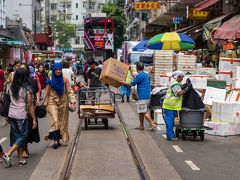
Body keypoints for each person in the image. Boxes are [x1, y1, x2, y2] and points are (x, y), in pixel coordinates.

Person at [3, 68, 37, 167]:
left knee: (17, 137)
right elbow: (30, 106)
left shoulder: (10, 86)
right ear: (25, 76)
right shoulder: (27, 89)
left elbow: (7, 99)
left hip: (11, 115)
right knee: (23, 136)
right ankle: (8, 154)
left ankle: (21, 159)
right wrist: (34, 119)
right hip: (21, 115)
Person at [44, 63, 76, 149]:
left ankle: (58, 138)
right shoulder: (49, 81)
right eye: (56, 69)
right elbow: (46, 93)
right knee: (55, 120)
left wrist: (72, 101)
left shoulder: (65, 80)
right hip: (52, 102)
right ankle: (55, 140)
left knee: (62, 122)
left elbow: (70, 91)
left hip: (63, 103)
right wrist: (44, 104)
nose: (58, 71)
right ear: (53, 70)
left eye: (59, 69)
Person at [121, 62, 156, 130]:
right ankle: (141, 125)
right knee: (141, 112)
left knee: (143, 111)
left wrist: (123, 82)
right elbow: (136, 78)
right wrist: (131, 71)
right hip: (146, 95)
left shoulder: (140, 75)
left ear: (137, 68)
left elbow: (132, 84)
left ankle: (152, 124)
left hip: (143, 96)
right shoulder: (144, 74)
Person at [162, 70, 191, 141]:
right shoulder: (175, 84)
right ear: (178, 77)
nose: (182, 79)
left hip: (170, 106)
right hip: (170, 106)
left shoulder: (174, 82)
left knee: (170, 121)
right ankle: (170, 136)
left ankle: (170, 135)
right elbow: (179, 93)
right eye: (181, 77)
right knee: (170, 122)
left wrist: (183, 87)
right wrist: (186, 89)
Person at [19, 64, 41, 158]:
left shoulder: (32, 81)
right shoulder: (16, 83)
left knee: (27, 131)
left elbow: (37, 92)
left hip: (29, 111)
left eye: (24, 69)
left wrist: (38, 100)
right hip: (18, 111)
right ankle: (22, 149)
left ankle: (25, 147)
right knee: (20, 132)